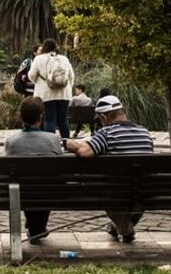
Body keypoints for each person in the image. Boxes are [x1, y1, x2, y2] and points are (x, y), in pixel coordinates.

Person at [65, 95, 154, 243]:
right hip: (143, 191)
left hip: (116, 192)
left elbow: (84, 152)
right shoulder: (144, 133)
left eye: (100, 119)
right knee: (132, 191)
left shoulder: (107, 133)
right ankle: (119, 226)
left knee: (107, 188)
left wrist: (71, 144)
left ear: (106, 117)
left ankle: (125, 229)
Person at [4, 97, 64, 243]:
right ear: (41, 118)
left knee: (24, 184)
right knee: (45, 182)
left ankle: (36, 229)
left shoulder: (11, 141)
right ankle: (37, 229)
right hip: (50, 191)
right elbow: (60, 169)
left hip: (22, 192)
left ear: (20, 117)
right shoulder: (53, 139)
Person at [28, 38, 74, 139]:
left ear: (44, 47)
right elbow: (71, 76)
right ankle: (67, 143)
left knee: (49, 120)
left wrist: (38, 81)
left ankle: (51, 143)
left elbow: (31, 76)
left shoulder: (39, 59)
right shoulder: (64, 59)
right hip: (64, 94)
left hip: (46, 94)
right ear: (56, 47)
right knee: (63, 120)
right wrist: (68, 88)